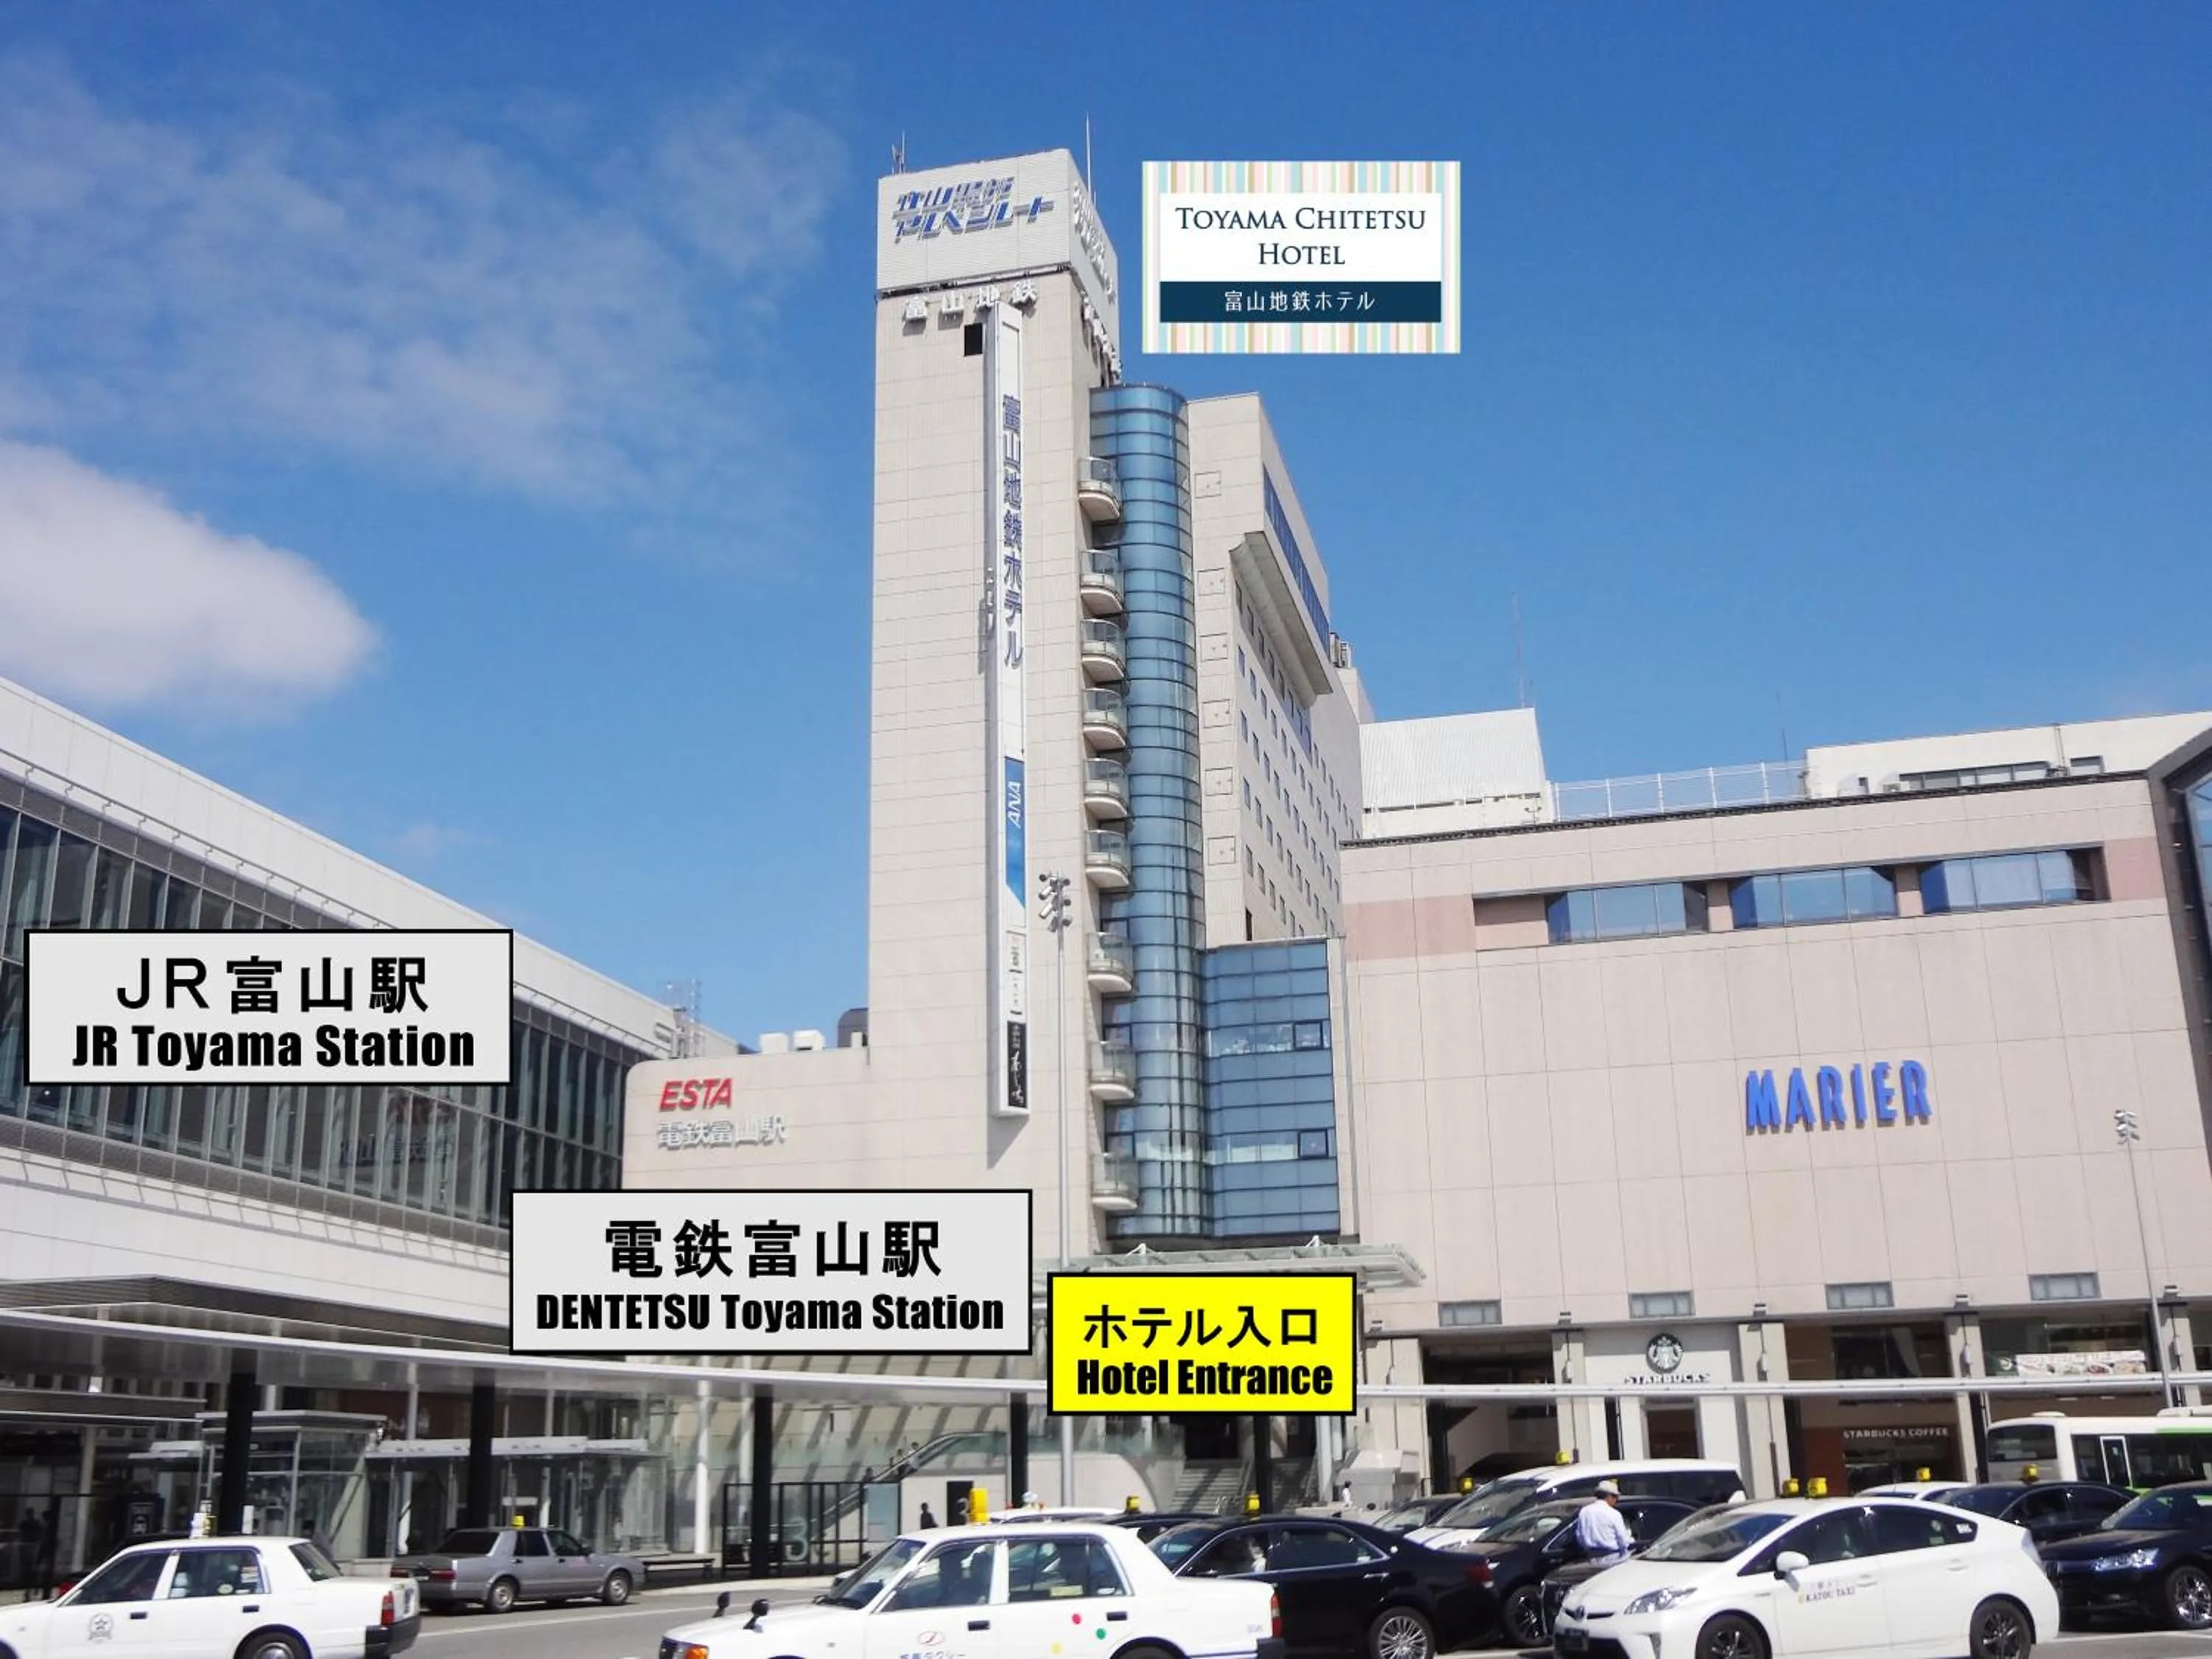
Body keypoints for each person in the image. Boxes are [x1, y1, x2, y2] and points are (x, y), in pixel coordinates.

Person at [1574, 1480, 1635, 1567]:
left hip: (1590, 1557)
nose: (1616, 1500)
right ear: (1609, 1496)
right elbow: (1622, 1538)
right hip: (1613, 1557)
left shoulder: (1584, 1512)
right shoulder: (1613, 1514)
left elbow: (1579, 1535)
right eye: (1615, 1497)